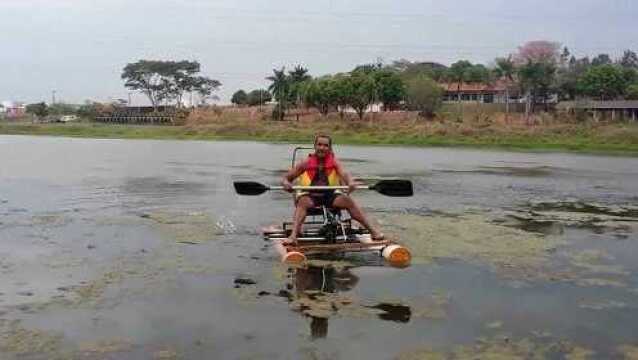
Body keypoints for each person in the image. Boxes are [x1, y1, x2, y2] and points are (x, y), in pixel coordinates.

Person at [281, 134, 384, 244]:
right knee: (302, 202)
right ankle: (293, 236)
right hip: (311, 196)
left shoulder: (334, 162)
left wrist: (350, 182)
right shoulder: (305, 163)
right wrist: (286, 184)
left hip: (330, 195)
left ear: (329, 148)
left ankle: (373, 232)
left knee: (348, 201)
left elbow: (345, 174)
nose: (322, 148)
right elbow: (286, 178)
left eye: (325, 145)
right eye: (319, 144)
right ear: (315, 146)